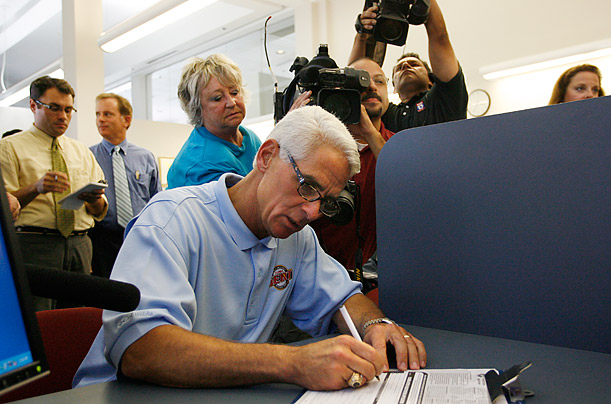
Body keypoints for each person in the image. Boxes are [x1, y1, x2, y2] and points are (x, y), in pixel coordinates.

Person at [72, 106, 426, 390]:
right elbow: (142, 350)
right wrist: (292, 363)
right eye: (307, 186)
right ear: (267, 156)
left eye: (326, 201)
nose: (313, 212)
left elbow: (342, 299)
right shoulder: (171, 220)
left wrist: (375, 323)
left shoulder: (295, 239)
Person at [0, 76, 107, 311]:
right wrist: (36, 188)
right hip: (35, 245)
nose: (63, 116)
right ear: (33, 105)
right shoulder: (9, 147)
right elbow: (5, 207)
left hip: (80, 244)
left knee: (79, 319)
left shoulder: (82, 151)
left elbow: (99, 211)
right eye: (54, 108)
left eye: (69, 110)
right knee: (39, 319)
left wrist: (95, 200)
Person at [311, 57, 393, 276]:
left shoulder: (399, 147)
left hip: (381, 277)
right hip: (321, 274)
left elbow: (413, 190)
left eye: (380, 81)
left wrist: (369, 133)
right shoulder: (319, 147)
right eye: (362, 82)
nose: (373, 87)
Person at [349, 0, 467, 133]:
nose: (405, 66)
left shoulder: (445, 99)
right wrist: (362, 35)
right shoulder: (387, 114)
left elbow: (439, 38)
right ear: (393, 88)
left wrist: (427, 3)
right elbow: (358, 73)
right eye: (399, 69)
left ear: (430, 80)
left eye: (414, 65)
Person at [89, 93, 161, 278]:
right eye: (97, 114)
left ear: (126, 120)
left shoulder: (145, 157)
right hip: (102, 241)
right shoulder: (88, 157)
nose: (100, 120)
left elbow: (156, 200)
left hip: (140, 238)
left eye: (107, 114)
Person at [167, 54, 262, 188]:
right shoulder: (203, 163)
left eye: (234, 92)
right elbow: (250, 203)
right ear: (197, 108)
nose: (231, 102)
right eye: (217, 98)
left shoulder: (248, 136)